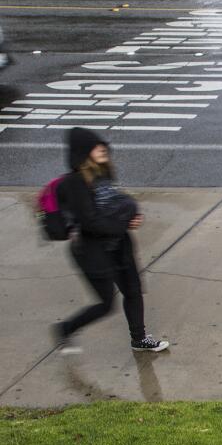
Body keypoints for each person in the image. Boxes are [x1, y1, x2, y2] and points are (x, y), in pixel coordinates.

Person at [53, 128, 169, 354]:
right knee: (106, 304)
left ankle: (139, 339)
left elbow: (118, 201)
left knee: (133, 291)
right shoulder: (73, 183)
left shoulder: (103, 174)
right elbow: (90, 222)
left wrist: (133, 214)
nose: (103, 149)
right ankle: (65, 329)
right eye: (97, 146)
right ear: (83, 152)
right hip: (93, 252)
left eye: (102, 145)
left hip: (119, 245)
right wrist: (124, 222)